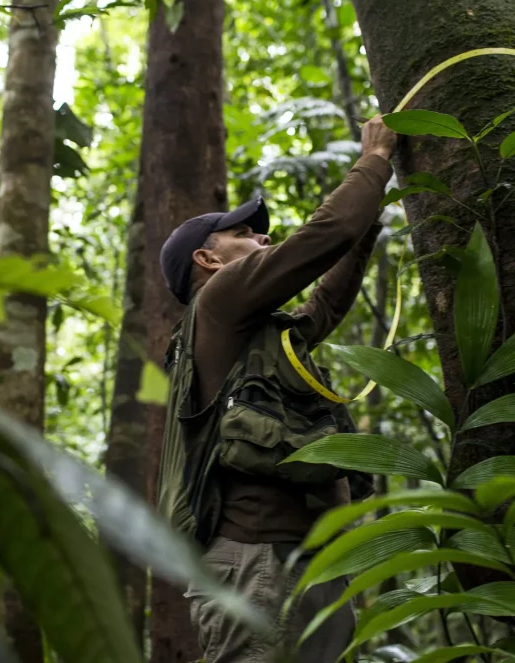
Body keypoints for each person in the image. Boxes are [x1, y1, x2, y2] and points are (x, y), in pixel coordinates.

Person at [156, 114, 398, 663]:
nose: (260, 237)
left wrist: (363, 236)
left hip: (300, 555)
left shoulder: (257, 331)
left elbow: (324, 307)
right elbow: (322, 237)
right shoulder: (219, 299)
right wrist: (375, 159)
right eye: (242, 234)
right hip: (255, 562)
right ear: (208, 259)